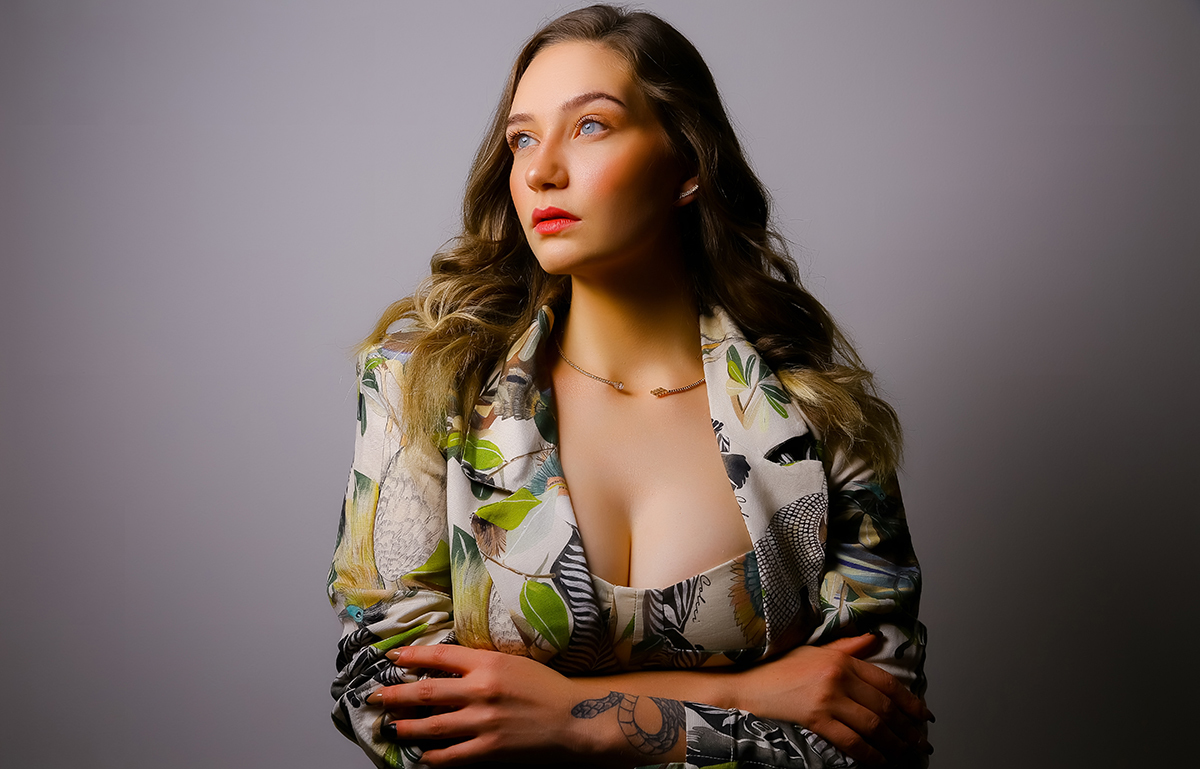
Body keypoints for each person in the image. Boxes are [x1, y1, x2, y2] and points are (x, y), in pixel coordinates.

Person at [328, 5, 929, 767]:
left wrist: (574, 718)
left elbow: (876, 735)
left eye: (591, 126)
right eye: (522, 139)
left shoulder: (821, 418)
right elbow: (388, 700)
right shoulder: (426, 382)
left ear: (687, 166)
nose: (541, 170)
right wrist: (748, 693)